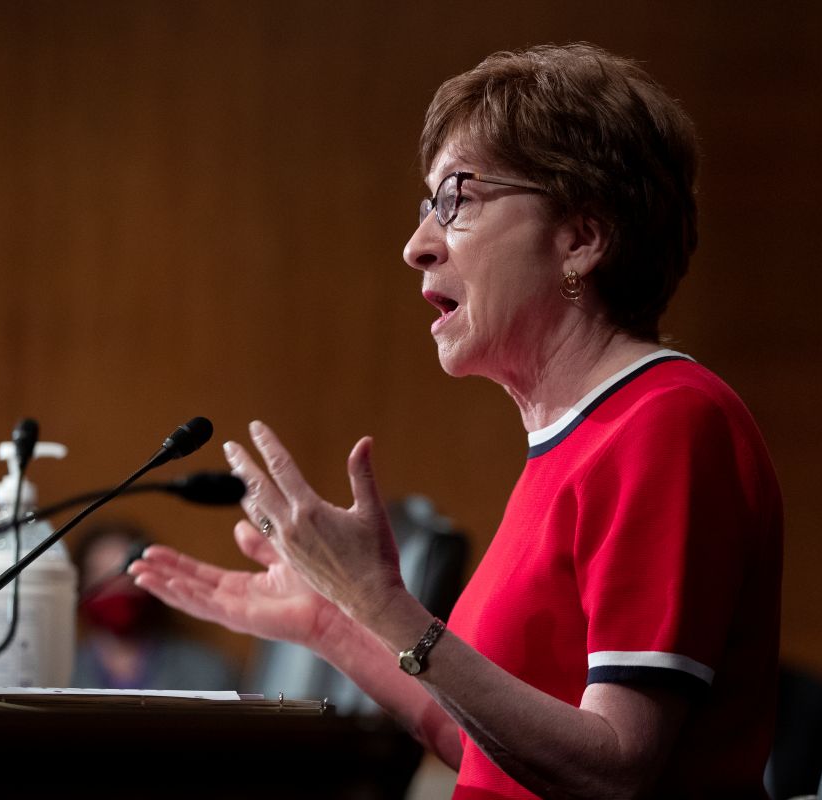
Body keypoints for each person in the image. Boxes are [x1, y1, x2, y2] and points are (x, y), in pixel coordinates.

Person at [130, 42, 783, 799]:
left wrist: (382, 605)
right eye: (426, 208)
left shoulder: (667, 422)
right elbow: (487, 750)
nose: (417, 246)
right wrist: (334, 621)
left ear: (581, 236)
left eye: (458, 200)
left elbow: (614, 769)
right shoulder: (573, 443)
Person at [72, 520, 235, 691]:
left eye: (130, 574)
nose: (119, 587)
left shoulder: (209, 673)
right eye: (102, 576)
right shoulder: (57, 674)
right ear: (81, 585)